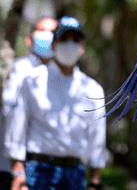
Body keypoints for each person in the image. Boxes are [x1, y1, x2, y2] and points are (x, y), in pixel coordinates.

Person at [4, 16, 107, 190]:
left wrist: (95, 181)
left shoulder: (92, 89)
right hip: (38, 171)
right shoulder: (32, 82)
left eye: (75, 40)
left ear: (82, 47)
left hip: (75, 174)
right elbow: (17, 128)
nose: (69, 44)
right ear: (53, 45)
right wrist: (18, 173)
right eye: (64, 39)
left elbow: (97, 138)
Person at [1, 18, 57, 190]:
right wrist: (18, 170)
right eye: (42, 30)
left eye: (53, 32)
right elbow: (9, 110)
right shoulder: (21, 69)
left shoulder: (63, 74)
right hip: (14, 168)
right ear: (29, 38)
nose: (47, 36)